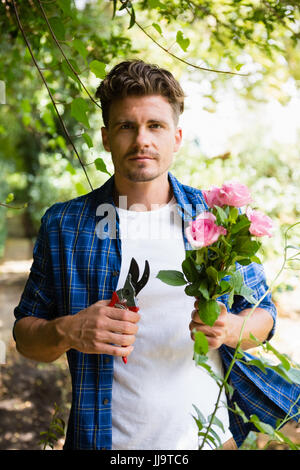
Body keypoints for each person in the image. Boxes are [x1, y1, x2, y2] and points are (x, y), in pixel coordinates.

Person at [13, 60, 299, 451]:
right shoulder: (65, 225)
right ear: (106, 137)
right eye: (126, 126)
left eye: (155, 126)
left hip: (212, 442)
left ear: (177, 137)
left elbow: (263, 317)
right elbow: (26, 338)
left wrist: (230, 328)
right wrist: (69, 330)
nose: (141, 139)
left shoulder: (215, 217)